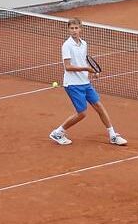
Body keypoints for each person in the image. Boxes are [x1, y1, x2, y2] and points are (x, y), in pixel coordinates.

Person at [49, 18, 127, 147]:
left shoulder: (84, 44)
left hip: (85, 82)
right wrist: (86, 69)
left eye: (76, 28)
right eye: (71, 28)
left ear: (80, 29)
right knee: (82, 113)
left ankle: (113, 135)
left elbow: (84, 61)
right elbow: (68, 67)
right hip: (73, 84)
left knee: (99, 106)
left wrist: (93, 72)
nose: (74, 31)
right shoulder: (66, 45)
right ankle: (58, 132)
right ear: (68, 30)